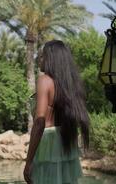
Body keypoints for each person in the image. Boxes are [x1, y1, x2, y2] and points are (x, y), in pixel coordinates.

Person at [23, 40, 90, 184]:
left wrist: (28, 162)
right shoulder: (70, 85)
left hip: (48, 143)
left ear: (51, 59)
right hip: (65, 141)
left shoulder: (44, 80)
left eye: (42, 56)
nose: (39, 59)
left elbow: (40, 121)